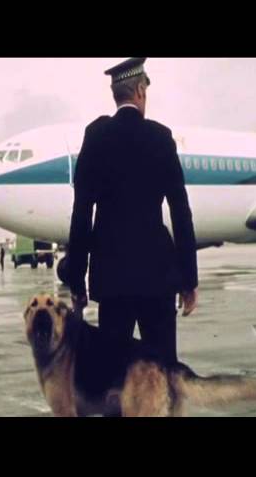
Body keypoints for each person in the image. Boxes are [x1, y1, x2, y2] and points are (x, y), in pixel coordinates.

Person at [67, 58, 198, 365]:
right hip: (158, 276)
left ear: (117, 94)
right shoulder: (160, 138)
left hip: (112, 280)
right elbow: (181, 210)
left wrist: (76, 282)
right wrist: (188, 279)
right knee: (163, 373)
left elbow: (81, 213)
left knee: (114, 377)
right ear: (140, 91)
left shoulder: (96, 136)